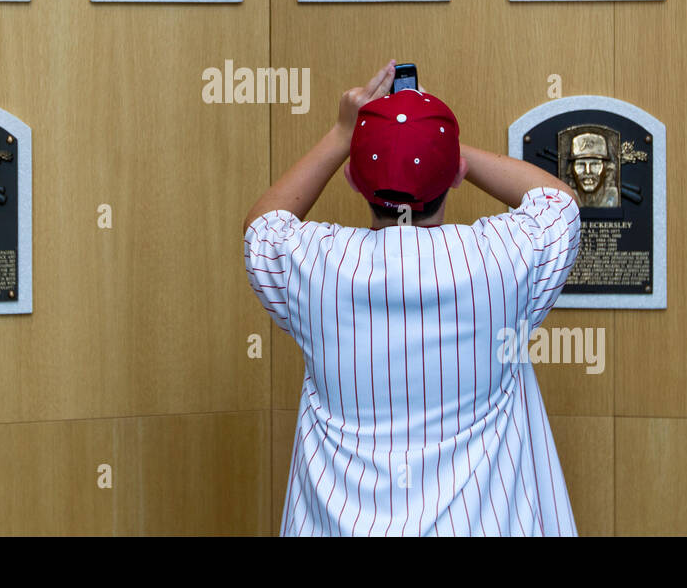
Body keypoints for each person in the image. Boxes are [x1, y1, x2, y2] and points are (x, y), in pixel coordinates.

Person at [243, 61, 582, 536]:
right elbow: (558, 202)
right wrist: (433, 143)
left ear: (353, 181)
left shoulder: (316, 267)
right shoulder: (500, 262)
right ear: (456, 173)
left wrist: (346, 132)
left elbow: (263, 223)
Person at [567, 130, 619, 207]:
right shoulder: (567, 198)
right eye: (580, 165)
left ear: (607, 170)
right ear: (571, 170)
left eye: (595, 164)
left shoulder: (613, 197)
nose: (588, 171)